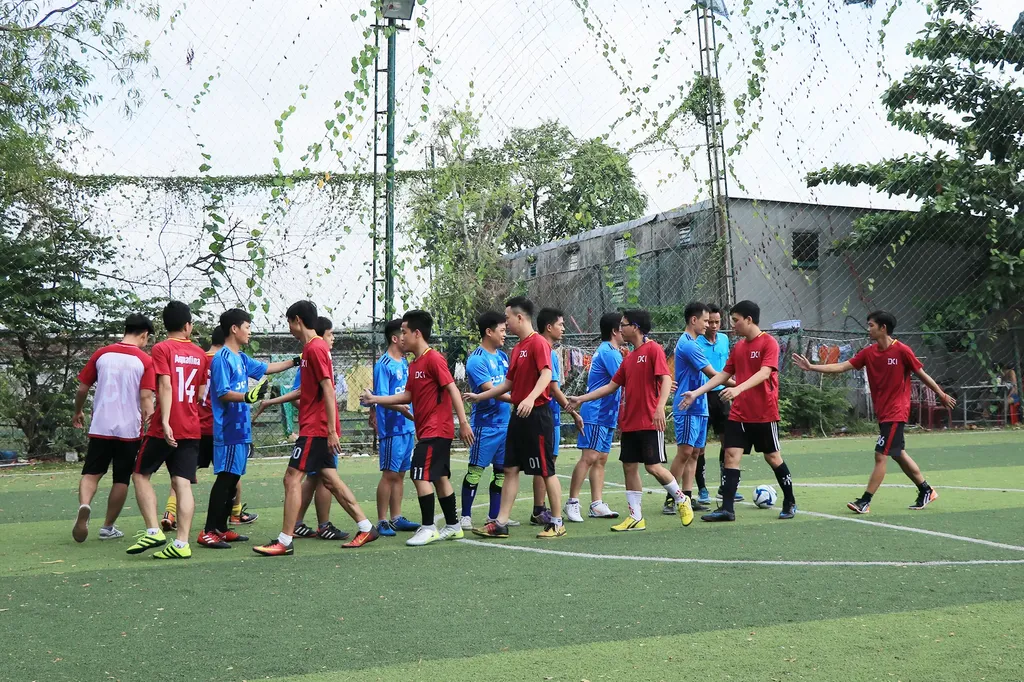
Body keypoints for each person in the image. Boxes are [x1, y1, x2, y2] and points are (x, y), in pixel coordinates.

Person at [792, 310, 956, 512]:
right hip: (884, 412)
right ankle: (926, 490)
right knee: (897, 454)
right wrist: (812, 368)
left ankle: (865, 501)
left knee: (881, 455)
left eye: (871, 325)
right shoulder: (869, 353)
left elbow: (921, 374)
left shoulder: (902, 351)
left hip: (897, 412)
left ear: (883, 328)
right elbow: (843, 366)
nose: (868, 329)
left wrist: (940, 393)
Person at [254, 301, 378, 556]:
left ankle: (285, 540)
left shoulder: (316, 348)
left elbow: (328, 389)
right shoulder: (310, 350)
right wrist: (270, 401)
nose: (288, 329)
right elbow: (307, 390)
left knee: (291, 478)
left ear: (297, 320)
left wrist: (331, 430)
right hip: (318, 427)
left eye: (289, 322)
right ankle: (366, 527)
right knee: (330, 480)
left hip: (316, 428)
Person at [569, 310, 694, 531]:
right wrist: (581, 398)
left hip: (649, 420)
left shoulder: (653, 349)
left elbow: (666, 378)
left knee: (653, 467)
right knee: (629, 466)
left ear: (635, 327)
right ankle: (635, 517)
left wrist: (659, 407)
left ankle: (681, 499)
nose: (621, 328)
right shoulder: (629, 358)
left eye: (624, 324)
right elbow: (610, 386)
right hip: (630, 421)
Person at [360, 310, 474, 547]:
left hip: (436, 430)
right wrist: (376, 400)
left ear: (417, 333)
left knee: (418, 474)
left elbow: (452, 389)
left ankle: (429, 526)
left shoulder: (434, 359)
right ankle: (453, 526)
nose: (401, 336)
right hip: (428, 430)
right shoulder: (415, 364)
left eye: (404, 331)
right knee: (440, 477)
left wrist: (462, 422)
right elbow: (408, 395)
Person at [681, 300, 797, 522]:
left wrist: (739, 389)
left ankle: (789, 500)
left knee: (773, 458)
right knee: (730, 456)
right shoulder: (739, 347)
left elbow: (764, 373)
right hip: (739, 413)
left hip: (763, 413)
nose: (732, 325)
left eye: (735, 320)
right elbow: (722, 375)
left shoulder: (768, 343)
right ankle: (727, 509)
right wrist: (696, 392)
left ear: (749, 320)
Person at [199, 308, 297, 549]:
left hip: (241, 429)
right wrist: (247, 396)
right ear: (234, 329)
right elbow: (222, 393)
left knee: (233, 479)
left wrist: (297, 360)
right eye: (247, 327)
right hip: (229, 429)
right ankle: (209, 531)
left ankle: (221, 529)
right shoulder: (222, 358)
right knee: (225, 479)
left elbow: (266, 368)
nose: (249, 332)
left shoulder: (240, 357)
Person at [468, 297, 565, 539]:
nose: (506, 323)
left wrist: (531, 398)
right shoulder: (517, 349)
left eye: (508, 317)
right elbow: (508, 384)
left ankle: (557, 522)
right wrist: (481, 397)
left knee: (546, 470)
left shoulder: (538, 344)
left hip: (537, 415)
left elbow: (546, 375)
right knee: (510, 468)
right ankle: (500, 523)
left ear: (520, 317)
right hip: (519, 416)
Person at [125, 301, 207, 559]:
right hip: (192, 426)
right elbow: (202, 393)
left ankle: (153, 531)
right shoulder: (200, 354)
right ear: (187, 326)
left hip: (166, 425)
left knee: (140, 474)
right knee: (182, 484)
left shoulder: (161, 349)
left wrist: (166, 421)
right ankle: (182, 544)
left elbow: (166, 386)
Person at [254, 316, 346, 541]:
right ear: (321, 333)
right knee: (313, 478)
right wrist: (327, 423)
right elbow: (302, 393)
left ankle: (297, 526)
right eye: (331, 334)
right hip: (318, 429)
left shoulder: (316, 353)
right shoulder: (314, 353)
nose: (333, 338)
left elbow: (311, 392)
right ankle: (317, 525)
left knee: (312, 478)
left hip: (320, 427)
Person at [161, 327, 258, 532]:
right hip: (220, 426)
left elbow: (195, 393)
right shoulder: (226, 359)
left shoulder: (198, 358)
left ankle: (170, 512)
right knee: (231, 474)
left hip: (197, 426)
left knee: (183, 473)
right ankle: (235, 513)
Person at [71, 314, 155, 542]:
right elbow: (146, 397)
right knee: (121, 479)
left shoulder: (102, 354)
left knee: (91, 473)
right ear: (144, 335)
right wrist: (152, 421)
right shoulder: (145, 360)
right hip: (129, 429)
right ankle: (107, 527)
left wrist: (78, 411)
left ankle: (85, 505)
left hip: (101, 425)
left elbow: (82, 389)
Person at [665, 302, 728, 515]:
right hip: (687, 405)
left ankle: (687, 497)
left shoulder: (694, 343)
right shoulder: (689, 344)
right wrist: (741, 384)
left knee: (695, 453)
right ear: (694, 320)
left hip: (699, 406)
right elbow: (713, 374)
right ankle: (671, 498)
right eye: (705, 320)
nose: (708, 324)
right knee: (684, 452)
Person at [564, 312, 624, 523]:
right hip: (596, 412)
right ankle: (572, 502)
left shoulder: (613, 351)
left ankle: (596, 504)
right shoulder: (609, 352)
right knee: (589, 457)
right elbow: (625, 379)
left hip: (607, 413)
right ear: (615, 331)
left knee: (601, 458)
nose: (626, 329)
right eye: (623, 325)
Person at [460, 311, 516, 530]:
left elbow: (510, 384)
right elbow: (491, 390)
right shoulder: (476, 359)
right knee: (475, 471)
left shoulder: (502, 357)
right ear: (489, 331)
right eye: (502, 330)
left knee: (501, 472)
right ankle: (465, 515)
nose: (505, 334)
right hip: (485, 426)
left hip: (506, 424)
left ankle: (495, 515)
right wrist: (519, 400)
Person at [531, 307, 584, 525]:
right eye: (561, 324)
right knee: (546, 463)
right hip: (546, 413)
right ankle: (541, 510)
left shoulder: (543, 348)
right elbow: (552, 387)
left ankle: (538, 509)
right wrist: (572, 412)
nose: (564, 328)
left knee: (545, 461)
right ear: (549, 326)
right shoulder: (547, 351)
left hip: (546, 412)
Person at [370, 318, 421, 536]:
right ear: (394, 338)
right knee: (389, 474)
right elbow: (381, 397)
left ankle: (396, 517)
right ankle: (382, 520)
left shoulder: (405, 362)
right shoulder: (383, 365)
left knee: (400, 474)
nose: (406, 337)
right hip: (392, 428)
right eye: (403, 333)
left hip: (407, 427)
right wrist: (401, 409)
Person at [697, 304, 739, 505]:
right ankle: (702, 488)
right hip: (703, 396)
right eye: (709, 322)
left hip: (723, 395)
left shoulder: (724, 339)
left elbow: (728, 367)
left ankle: (725, 486)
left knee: (727, 441)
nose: (713, 326)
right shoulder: (695, 342)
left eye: (717, 322)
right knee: (699, 446)